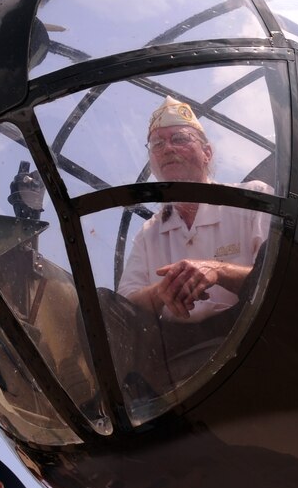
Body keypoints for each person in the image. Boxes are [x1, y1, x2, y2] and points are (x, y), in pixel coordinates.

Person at [116, 96, 272, 322]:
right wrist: (163, 291)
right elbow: (123, 307)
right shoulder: (148, 233)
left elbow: (280, 277)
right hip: (174, 350)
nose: (168, 148)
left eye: (179, 138)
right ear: (152, 162)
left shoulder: (251, 199)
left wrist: (218, 271)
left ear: (207, 153)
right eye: (157, 144)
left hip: (252, 334)